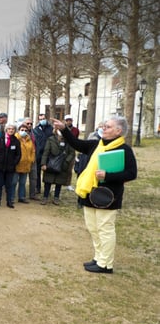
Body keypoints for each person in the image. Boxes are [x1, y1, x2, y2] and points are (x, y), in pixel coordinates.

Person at [53, 116, 137, 274]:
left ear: (118, 131)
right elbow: (76, 143)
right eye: (104, 126)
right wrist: (64, 129)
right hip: (90, 193)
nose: (104, 128)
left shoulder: (124, 149)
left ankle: (106, 264)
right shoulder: (96, 144)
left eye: (108, 127)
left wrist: (107, 175)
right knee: (93, 228)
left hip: (108, 196)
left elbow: (132, 174)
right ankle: (99, 258)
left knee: (105, 229)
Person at [40, 130, 75, 205]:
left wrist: (66, 161)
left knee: (59, 182)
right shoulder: (50, 139)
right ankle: (45, 197)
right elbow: (46, 152)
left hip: (63, 164)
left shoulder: (69, 141)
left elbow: (72, 153)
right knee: (48, 181)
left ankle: (56, 197)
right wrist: (43, 163)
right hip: (51, 163)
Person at [0, 124, 21, 208]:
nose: (11, 130)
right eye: (9, 129)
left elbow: (18, 154)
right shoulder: (0, 139)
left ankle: (9, 201)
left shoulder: (16, 141)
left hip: (10, 167)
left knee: (9, 185)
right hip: (0, 167)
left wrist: (14, 163)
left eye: (13, 129)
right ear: (6, 130)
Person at [33, 113, 54, 194]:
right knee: (37, 173)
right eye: (40, 119)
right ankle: (37, 188)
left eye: (43, 119)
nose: (42, 120)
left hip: (48, 154)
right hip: (38, 154)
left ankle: (47, 190)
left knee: (47, 173)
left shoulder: (51, 128)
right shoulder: (36, 129)